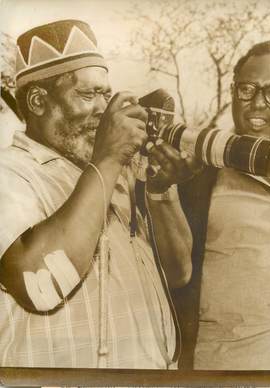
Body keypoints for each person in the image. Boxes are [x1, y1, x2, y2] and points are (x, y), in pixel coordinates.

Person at [0, 19, 194, 369]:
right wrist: (107, 160)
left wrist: (161, 193)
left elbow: (179, 274)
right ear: (38, 101)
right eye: (89, 95)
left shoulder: (112, 176)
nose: (104, 110)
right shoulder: (10, 173)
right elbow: (39, 286)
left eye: (106, 94)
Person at [178, 40, 270, 370]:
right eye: (247, 90)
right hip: (227, 366)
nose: (257, 104)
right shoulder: (198, 171)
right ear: (232, 92)